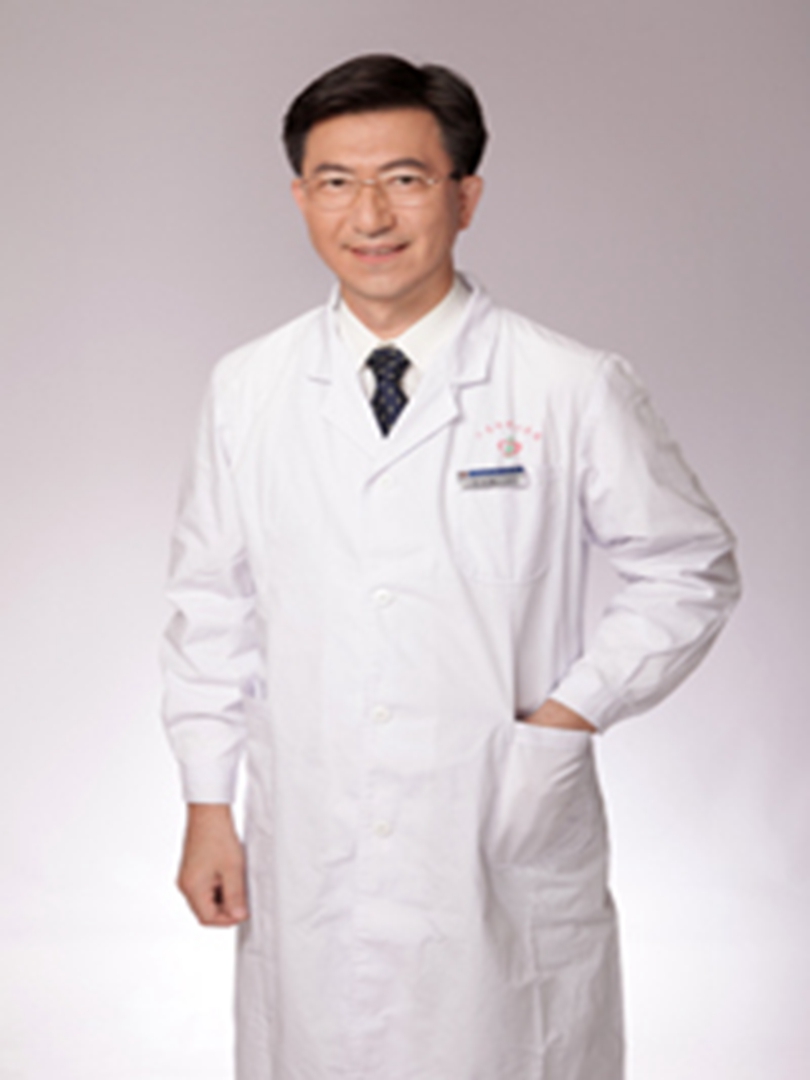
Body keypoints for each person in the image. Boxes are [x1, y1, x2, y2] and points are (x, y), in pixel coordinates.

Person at [162, 54, 740, 1080]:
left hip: (498, 820)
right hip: (313, 828)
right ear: (300, 197)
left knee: (503, 1044)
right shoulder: (248, 387)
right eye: (337, 181)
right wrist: (209, 800)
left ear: (465, 197)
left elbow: (689, 567)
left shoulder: (567, 384)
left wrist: (569, 715)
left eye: (406, 179)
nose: (370, 215)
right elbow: (211, 601)